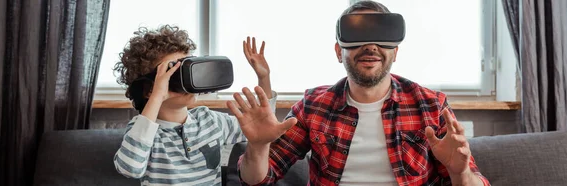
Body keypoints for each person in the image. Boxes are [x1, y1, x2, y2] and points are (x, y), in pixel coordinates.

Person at [226, 1, 490, 185]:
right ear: (338, 52)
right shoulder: (313, 106)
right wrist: (259, 147)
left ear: (395, 52)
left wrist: (461, 173)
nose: (370, 46)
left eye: (380, 36)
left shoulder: (430, 105)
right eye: (358, 36)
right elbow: (258, 180)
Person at [112, 24, 275, 185]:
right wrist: (157, 96)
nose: (189, 79)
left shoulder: (210, 120)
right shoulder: (143, 130)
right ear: (148, 89)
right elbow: (130, 168)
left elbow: (262, 124)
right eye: (175, 73)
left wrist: (264, 78)